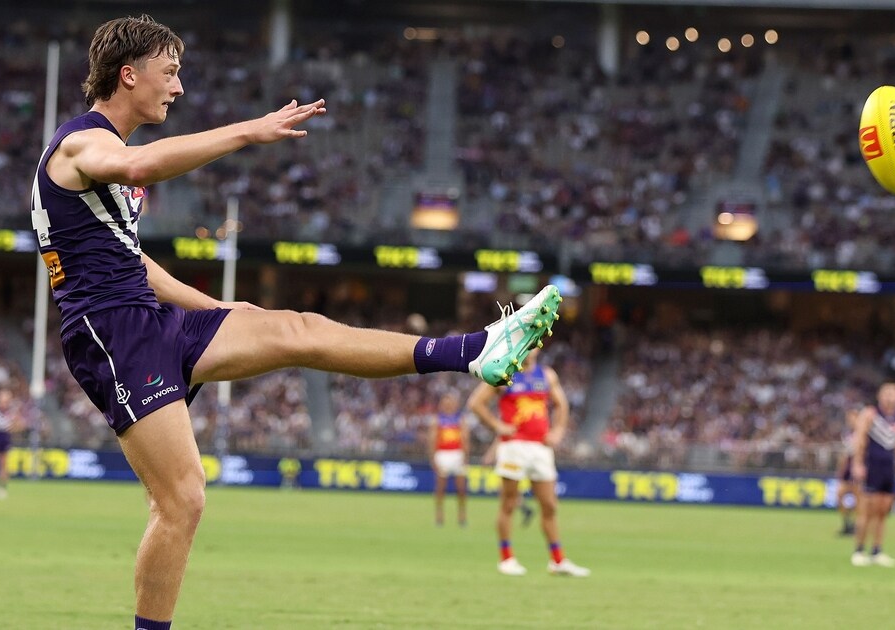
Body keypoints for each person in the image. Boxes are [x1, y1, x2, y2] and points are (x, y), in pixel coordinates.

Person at [30, 15, 562, 629]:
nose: (178, 87)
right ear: (130, 75)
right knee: (181, 500)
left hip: (150, 318)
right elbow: (138, 168)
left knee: (295, 329)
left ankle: (475, 349)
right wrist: (249, 132)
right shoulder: (82, 143)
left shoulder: (107, 158)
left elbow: (135, 262)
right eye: (170, 72)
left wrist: (219, 310)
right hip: (113, 334)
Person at [467, 348, 589, 577]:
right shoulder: (505, 373)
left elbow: (562, 404)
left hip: (540, 448)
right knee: (509, 503)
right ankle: (506, 558)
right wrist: (497, 426)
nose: (531, 349)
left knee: (550, 505)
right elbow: (476, 403)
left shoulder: (547, 375)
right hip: (514, 446)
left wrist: (559, 431)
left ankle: (558, 561)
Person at [850, 382, 895, 568]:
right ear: (879, 395)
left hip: (889, 468)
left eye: (894, 393)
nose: (890, 397)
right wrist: (857, 464)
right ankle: (859, 550)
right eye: (886, 393)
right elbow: (859, 439)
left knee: (883, 511)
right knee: (866, 510)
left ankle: (877, 550)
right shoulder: (870, 414)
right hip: (871, 466)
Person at [427, 391, 469, 527]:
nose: (448, 405)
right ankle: (439, 516)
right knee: (440, 488)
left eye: (450, 402)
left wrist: (465, 455)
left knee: (461, 489)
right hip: (443, 454)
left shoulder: (460, 418)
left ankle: (462, 516)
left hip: (457, 454)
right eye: (445, 402)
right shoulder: (437, 419)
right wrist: (433, 458)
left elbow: (465, 438)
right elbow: (432, 440)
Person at [834, 407, 860, 536]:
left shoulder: (863, 434)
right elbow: (845, 454)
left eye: (852, 417)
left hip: (858, 466)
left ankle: (856, 525)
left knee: (858, 497)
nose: (850, 420)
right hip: (848, 467)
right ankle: (847, 523)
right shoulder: (847, 434)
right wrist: (841, 469)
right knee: (839, 495)